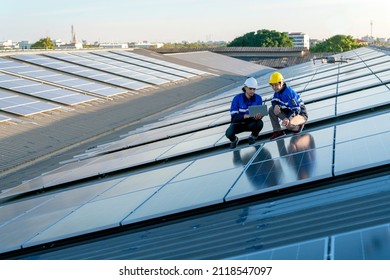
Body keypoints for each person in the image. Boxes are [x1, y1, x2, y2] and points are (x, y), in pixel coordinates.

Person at [225, 77, 264, 149]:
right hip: (238, 124)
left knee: (260, 123)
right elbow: (234, 117)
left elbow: (260, 113)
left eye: (254, 89)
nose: (252, 91)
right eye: (250, 89)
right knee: (228, 133)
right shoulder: (237, 98)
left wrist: (259, 116)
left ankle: (253, 137)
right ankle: (234, 140)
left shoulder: (258, 98)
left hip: (250, 123)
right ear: (245, 87)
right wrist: (245, 116)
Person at [268, 72, 308, 140]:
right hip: (288, 111)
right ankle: (278, 132)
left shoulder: (289, 93)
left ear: (281, 82)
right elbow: (274, 100)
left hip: (300, 114)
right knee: (272, 109)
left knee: (289, 126)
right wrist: (276, 105)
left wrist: (288, 118)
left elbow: (296, 109)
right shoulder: (277, 92)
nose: (274, 87)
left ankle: (299, 126)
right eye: (272, 85)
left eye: (276, 85)